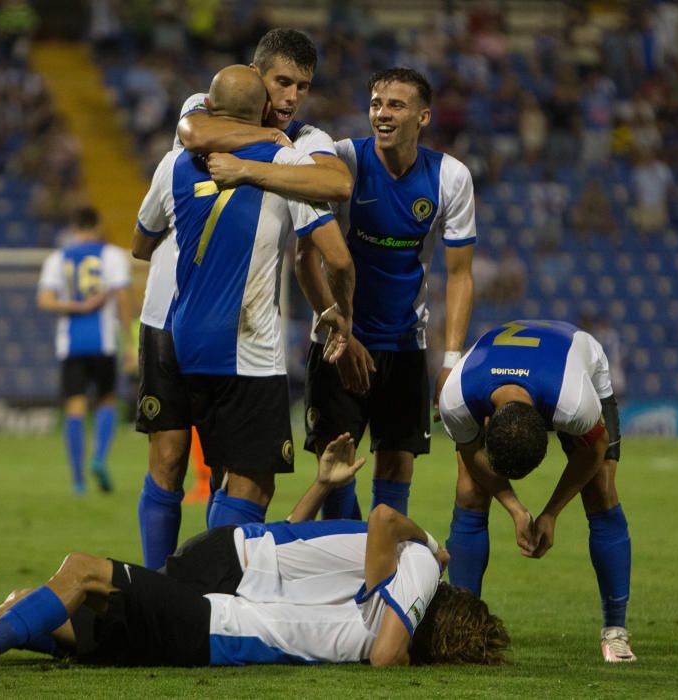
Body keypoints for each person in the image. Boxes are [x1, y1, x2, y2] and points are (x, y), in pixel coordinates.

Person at [0, 442, 510, 673]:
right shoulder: (378, 599)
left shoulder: (411, 582)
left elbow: (387, 524)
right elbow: (309, 557)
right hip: (231, 609)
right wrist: (322, 494)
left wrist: (432, 549)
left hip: (223, 613)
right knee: (71, 626)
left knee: (82, 573)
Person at [135, 28, 354, 571]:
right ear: (256, 79)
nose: (291, 96)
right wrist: (269, 150)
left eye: (302, 87)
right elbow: (189, 130)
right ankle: (168, 586)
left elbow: (334, 182)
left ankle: (195, 586)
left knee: (231, 464)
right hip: (166, 315)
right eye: (282, 82)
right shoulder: (210, 108)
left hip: (224, 323)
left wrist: (265, 159)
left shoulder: (305, 141)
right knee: (170, 458)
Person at [295, 67, 476, 521]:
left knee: (396, 467)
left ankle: (380, 575)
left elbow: (460, 275)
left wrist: (451, 361)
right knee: (336, 469)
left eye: (396, 104)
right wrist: (339, 327)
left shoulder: (449, 178)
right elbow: (305, 259)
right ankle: (348, 574)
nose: (382, 113)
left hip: (404, 346)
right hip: (338, 344)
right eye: (376, 103)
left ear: (424, 116)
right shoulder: (343, 162)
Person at [437, 320, 635, 663]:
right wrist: (515, 508)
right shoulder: (455, 398)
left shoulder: (575, 405)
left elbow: (594, 449)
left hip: (575, 360)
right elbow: (471, 454)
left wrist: (551, 513)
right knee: (469, 489)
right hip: (506, 366)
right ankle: (464, 630)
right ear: (487, 422)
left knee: (601, 491)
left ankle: (615, 632)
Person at [37, 206, 136, 494]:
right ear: (98, 226)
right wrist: (129, 342)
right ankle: (99, 458)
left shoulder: (58, 258)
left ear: (74, 226)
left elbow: (44, 300)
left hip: (71, 342)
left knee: (75, 407)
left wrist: (75, 306)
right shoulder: (112, 255)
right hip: (103, 340)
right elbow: (122, 298)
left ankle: (78, 480)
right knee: (106, 401)